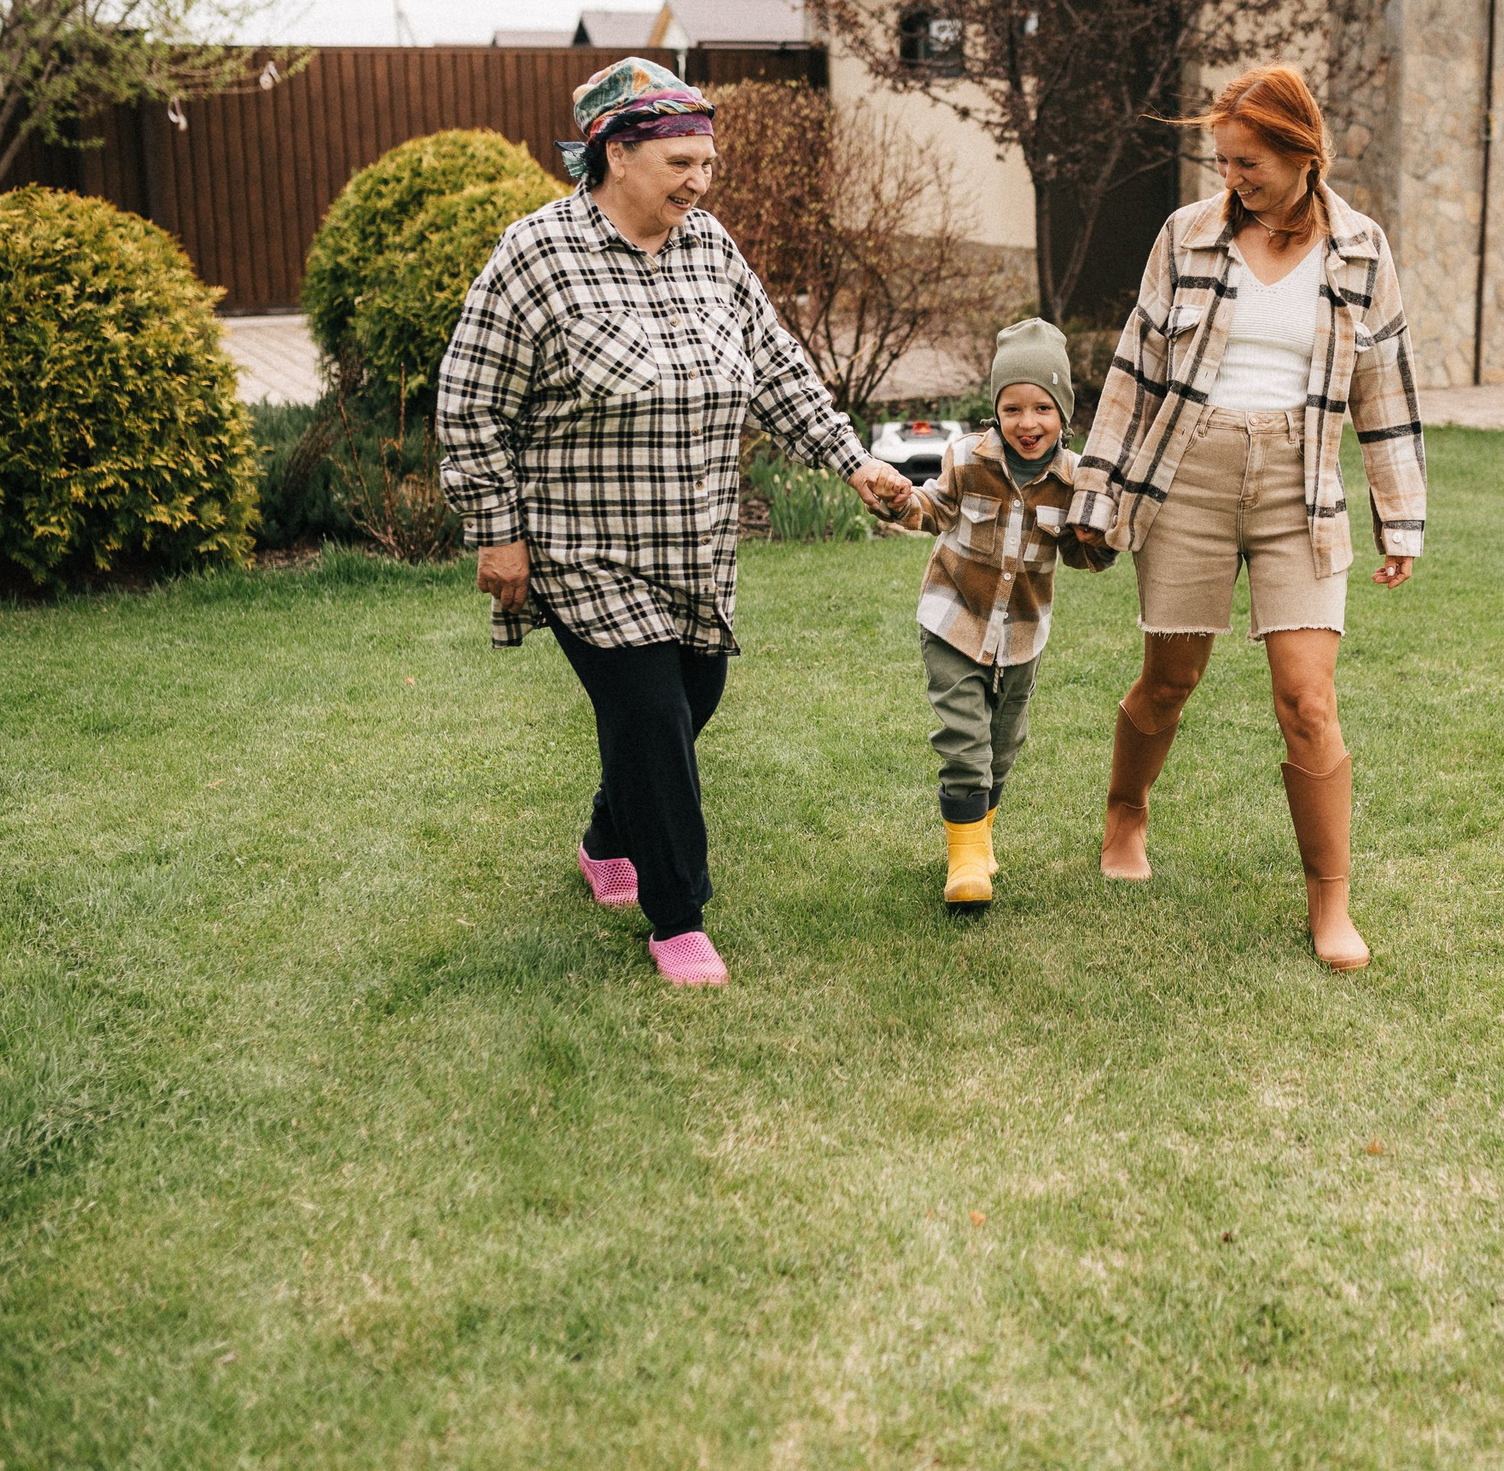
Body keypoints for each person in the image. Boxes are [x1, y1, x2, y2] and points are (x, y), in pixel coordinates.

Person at [435, 57, 910, 986]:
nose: (699, 181)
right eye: (680, 162)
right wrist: (498, 530)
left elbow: (774, 365)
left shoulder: (708, 246)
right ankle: (678, 917)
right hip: (586, 547)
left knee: (693, 701)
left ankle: (609, 832)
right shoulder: (535, 257)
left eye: (708, 162)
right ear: (615, 152)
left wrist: (853, 461)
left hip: (695, 544)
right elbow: (470, 401)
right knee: (651, 718)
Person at [1066, 65, 1426, 972]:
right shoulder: (1185, 236)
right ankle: (1126, 811)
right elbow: (1133, 372)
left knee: (1309, 698)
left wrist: (1401, 516)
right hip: (1186, 472)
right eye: (1225, 161)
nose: (1234, 178)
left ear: (1305, 154)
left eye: (1251, 161)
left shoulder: (1362, 249)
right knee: (1170, 679)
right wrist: (1096, 495)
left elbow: (1385, 388)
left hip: (1300, 484)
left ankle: (1331, 903)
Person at [889, 319, 1115, 908]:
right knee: (964, 735)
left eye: (1042, 407)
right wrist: (903, 502)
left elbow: (1080, 554)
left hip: (1022, 629)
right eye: (1011, 407)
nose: (1027, 422)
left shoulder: (1073, 480)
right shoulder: (967, 456)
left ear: (1063, 411)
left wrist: (1103, 536)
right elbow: (934, 510)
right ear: (995, 409)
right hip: (954, 615)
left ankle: (979, 834)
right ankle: (964, 863)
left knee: (1003, 740)